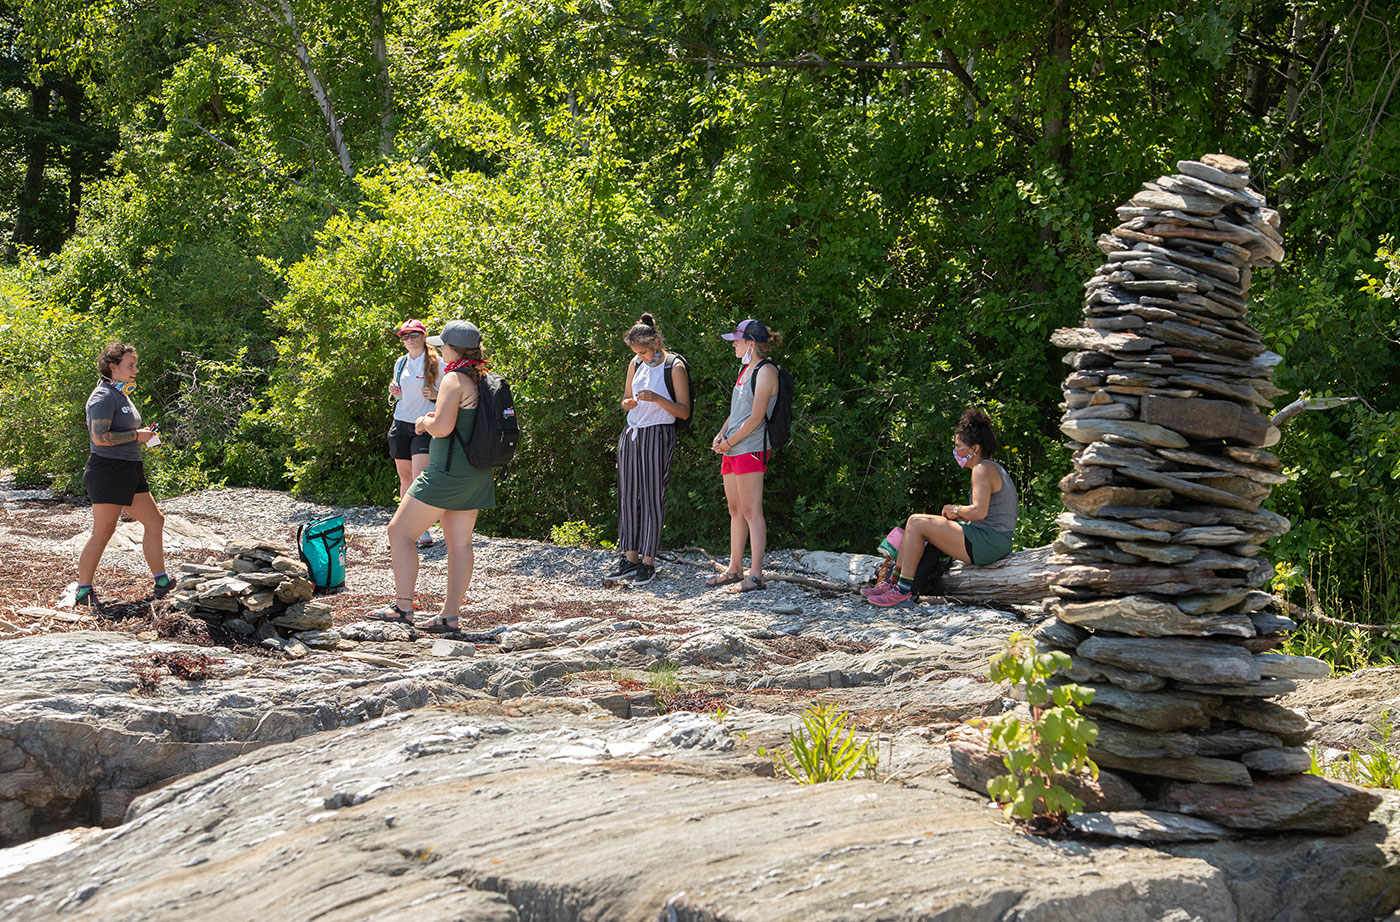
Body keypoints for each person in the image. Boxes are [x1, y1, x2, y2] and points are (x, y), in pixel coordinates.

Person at [370, 320, 495, 632]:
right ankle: (449, 616)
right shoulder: (483, 376)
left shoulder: (454, 378)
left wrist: (425, 420)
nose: (440, 349)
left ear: (452, 348)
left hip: (446, 472)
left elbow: (443, 427)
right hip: (475, 473)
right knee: (460, 544)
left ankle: (402, 608)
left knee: (398, 532)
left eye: (443, 345)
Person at [866, 408, 1017, 606]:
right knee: (915, 521)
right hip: (992, 540)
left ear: (975, 448)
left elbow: (979, 512)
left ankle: (902, 590)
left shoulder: (982, 469)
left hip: (990, 543)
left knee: (918, 523)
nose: (956, 451)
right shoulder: (991, 468)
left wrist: (955, 510)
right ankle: (893, 583)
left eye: (959, 446)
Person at [71, 342, 170, 610]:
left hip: (130, 468)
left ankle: (162, 583)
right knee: (103, 532)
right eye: (130, 365)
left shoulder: (121, 393)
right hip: (108, 470)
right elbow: (99, 438)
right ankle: (83, 591)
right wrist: (137, 436)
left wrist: (143, 437)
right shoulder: (103, 396)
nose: (136, 370)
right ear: (112, 367)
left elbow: (124, 429)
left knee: (155, 521)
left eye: (135, 365)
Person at [606, 314, 691, 586]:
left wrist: (657, 399)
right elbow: (624, 399)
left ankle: (648, 561)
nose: (640, 357)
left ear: (655, 342)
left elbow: (684, 410)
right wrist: (627, 404)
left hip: (658, 433)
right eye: (636, 353)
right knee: (628, 497)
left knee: (653, 497)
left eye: (643, 351)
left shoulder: (673, 366)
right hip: (632, 434)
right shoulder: (635, 362)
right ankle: (629, 558)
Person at [706, 319, 781, 593]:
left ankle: (757, 574)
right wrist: (721, 435)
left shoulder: (766, 371)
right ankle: (735, 568)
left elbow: (757, 417)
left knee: (752, 511)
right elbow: (737, 412)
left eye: (737, 340)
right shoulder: (744, 370)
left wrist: (731, 442)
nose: (733, 345)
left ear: (751, 343)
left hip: (750, 449)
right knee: (735, 510)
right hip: (734, 447)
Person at [388, 318, 442, 549]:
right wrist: (394, 391)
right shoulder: (400, 363)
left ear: (423, 336)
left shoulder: (436, 362)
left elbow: (450, 396)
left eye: (413, 335)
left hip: (424, 425)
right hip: (401, 423)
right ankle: (405, 527)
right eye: (404, 336)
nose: (409, 339)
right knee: (405, 478)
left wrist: (435, 395)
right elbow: (401, 395)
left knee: (420, 478)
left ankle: (421, 527)